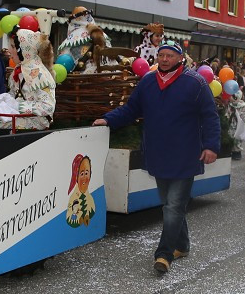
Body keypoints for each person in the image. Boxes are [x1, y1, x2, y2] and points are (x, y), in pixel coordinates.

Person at [94, 40, 220, 274]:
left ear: (180, 59)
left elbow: (210, 116)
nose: (164, 59)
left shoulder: (195, 83)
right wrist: (108, 119)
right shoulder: (148, 82)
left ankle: (163, 255)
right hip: (158, 153)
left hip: (185, 155)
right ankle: (181, 245)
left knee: (173, 206)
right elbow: (131, 109)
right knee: (170, 204)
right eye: (161, 55)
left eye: (169, 56)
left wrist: (211, 146)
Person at [0, 28, 56, 137]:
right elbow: (15, 94)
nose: (9, 50)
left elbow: (48, 107)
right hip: (21, 115)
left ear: (23, 50)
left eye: (13, 47)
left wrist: (18, 106)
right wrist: (6, 102)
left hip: (36, 120)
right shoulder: (20, 70)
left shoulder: (39, 73)